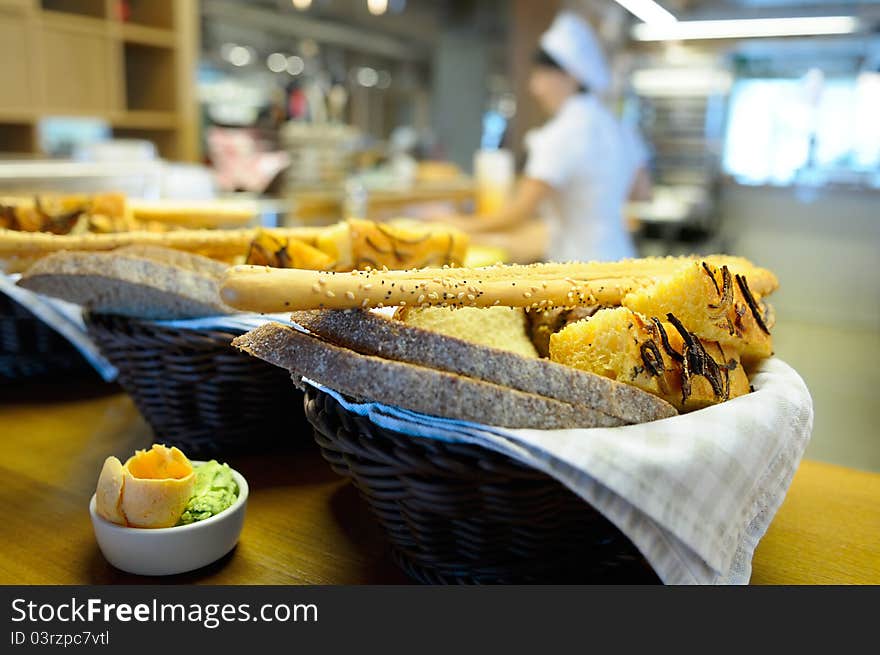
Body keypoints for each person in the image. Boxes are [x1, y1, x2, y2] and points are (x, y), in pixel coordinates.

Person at [450, 11, 648, 262]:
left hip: (581, 272)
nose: (535, 88)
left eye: (541, 75)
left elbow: (518, 213)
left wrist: (453, 225)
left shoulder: (561, 133)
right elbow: (641, 191)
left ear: (571, 75)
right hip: (622, 260)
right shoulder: (617, 127)